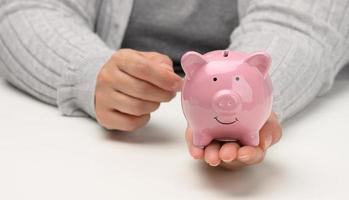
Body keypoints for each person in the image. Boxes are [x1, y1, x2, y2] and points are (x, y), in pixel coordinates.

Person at [0, 0, 348, 170]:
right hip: (111, 144)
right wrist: (89, 69)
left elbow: (301, 24)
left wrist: (258, 99)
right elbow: (27, 7)